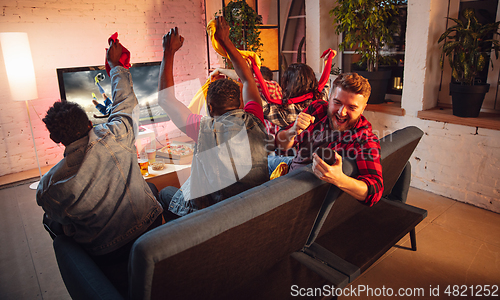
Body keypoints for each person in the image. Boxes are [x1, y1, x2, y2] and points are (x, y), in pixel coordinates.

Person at [37, 39, 163, 261]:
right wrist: (115, 65)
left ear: (55, 138)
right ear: (89, 123)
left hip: (107, 250)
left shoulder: (48, 187)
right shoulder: (117, 134)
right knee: (150, 188)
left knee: (51, 221)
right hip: (149, 225)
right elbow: (125, 101)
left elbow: (62, 219)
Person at [157, 17, 270, 219]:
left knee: (165, 193)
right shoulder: (255, 118)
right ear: (241, 103)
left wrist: (169, 52)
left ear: (209, 107)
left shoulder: (203, 128)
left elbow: (166, 99)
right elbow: (247, 77)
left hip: (215, 216)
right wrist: (225, 40)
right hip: (256, 205)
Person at [271, 73, 384, 206]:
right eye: (337, 102)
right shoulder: (318, 108)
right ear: (329, 98)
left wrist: (340, 179)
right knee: (260, 161)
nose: (342, 112)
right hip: (291, 163)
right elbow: (280, 145)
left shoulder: (364, 138)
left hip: (293, 183)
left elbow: (375, 192)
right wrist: (293, 130)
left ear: (363, 109)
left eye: (352, 107)